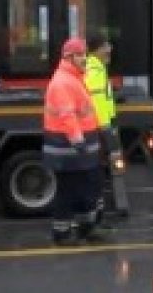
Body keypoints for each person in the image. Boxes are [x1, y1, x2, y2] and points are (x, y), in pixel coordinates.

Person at [43, 37, 106, 246]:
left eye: (84, 54)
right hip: (69, 149)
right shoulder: (63, 82)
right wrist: (79, 142)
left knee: (85, 189)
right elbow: (67, 116)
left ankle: (85, 228)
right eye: (80, 55)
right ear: (68, 57)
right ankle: (62, 234)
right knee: (69, 192)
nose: (84, 58)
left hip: (77, 149)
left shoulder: (74, 78)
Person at [84, 33, 127, 218]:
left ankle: (99, 211)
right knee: (99, 170)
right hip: (100, 128)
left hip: (103, 125)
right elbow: (96, 103)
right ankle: (97, 213)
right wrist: (107, 129)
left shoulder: (98, 68)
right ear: (97, 50)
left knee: (100, 169)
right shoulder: (94, 71)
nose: (110, 49)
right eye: (106, 46)